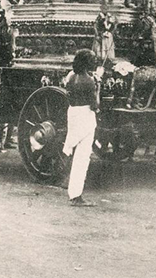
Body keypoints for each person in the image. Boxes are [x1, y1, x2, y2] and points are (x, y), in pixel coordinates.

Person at [62, 49, 100, 207]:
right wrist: (98, 88)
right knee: (83, 157)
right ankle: (76, 194)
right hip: (85, 116)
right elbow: (95, 105)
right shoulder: (89, 81)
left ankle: (69, 184)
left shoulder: (71, 76)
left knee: (72, 149)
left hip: (73, 113)